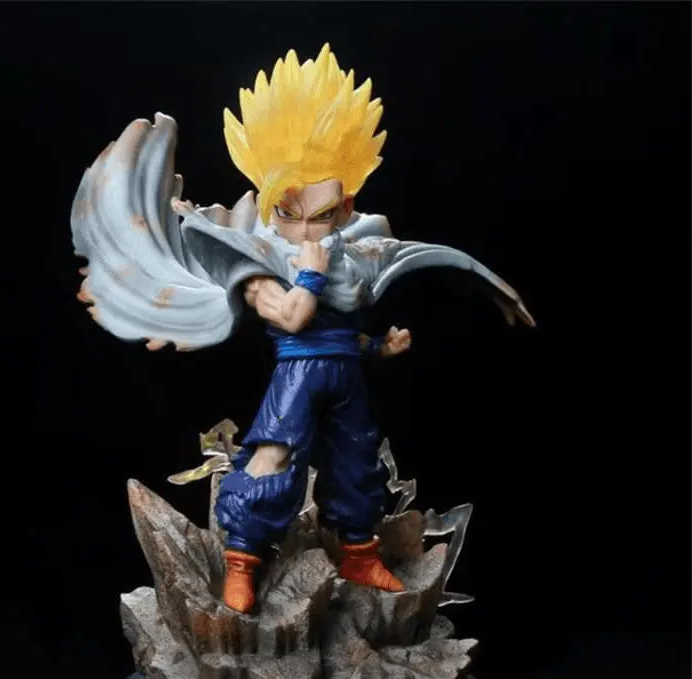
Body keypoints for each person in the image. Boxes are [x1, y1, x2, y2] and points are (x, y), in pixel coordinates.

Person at [70, 43, 535, 615]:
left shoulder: (355, 251)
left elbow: (345, 334)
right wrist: (309, 277)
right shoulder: (254, 260)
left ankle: (360, 555)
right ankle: (242, 559)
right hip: (296, 375)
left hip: (344, 376)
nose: (307, 229)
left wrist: (380, 346)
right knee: (272, 460)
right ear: (271, 207)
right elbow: (292, 318)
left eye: (323, 214)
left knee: (358, 463)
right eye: (290, 214)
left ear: (346, 206)